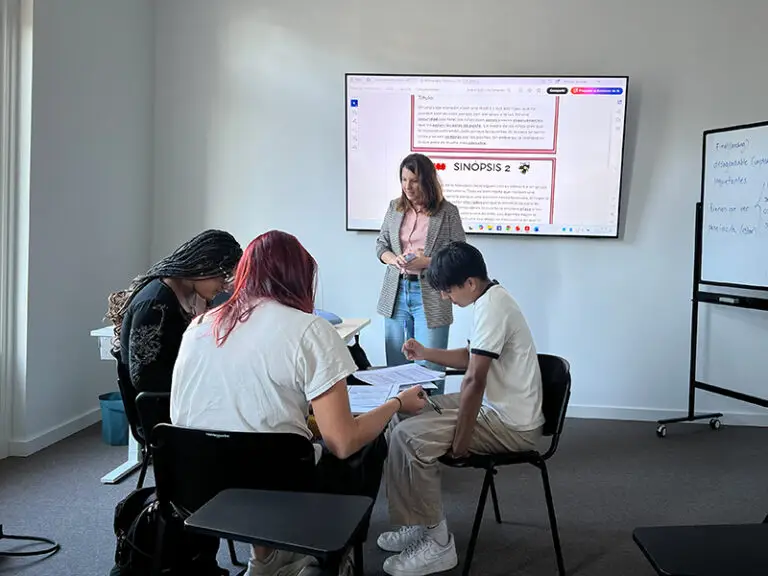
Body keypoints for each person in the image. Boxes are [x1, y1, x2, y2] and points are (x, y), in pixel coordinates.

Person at [170, 230, 428, 576]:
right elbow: (342, 441)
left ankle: (266, 559)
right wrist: (396, 403)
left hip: (194, 486)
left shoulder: (198, 326)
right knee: (366, 446)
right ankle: (334, 556)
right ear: (299, 278)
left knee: (259, 446)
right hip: (277, 489)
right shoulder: (309, 330)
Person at [377, 241, 545, 576]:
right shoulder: (489, 299)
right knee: (403, 414)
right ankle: (419, 523)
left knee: (410, 438)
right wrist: (426, 352)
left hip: (512, 424)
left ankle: (438, 545)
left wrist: (461, 442)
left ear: (470, 282)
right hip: (495, 407)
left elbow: (473, 381)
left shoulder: (495, 306)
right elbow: (472, 356)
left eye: (447, 290)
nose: (444, 298)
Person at [105, 229, 242, 395]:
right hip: (161, 406)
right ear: (202, 266)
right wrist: (207, 378)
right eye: (223, 276)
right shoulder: (154, 305)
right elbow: (144, 378)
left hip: (183, 395)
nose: (225, 286)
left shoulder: (194, 295)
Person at [376, 153, 466, 394]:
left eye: (414, 181)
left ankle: (431, 426)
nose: (408, 187)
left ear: (427, 181)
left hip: (431, 294)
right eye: (404, 180)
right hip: (396, 292)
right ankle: (398, 425)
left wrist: (425, 261)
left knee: (431, 367)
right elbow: (381, 245)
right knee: (396, 367)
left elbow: (459, 255)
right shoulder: (394, 208)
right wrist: (393, 259)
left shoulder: (447, 212)